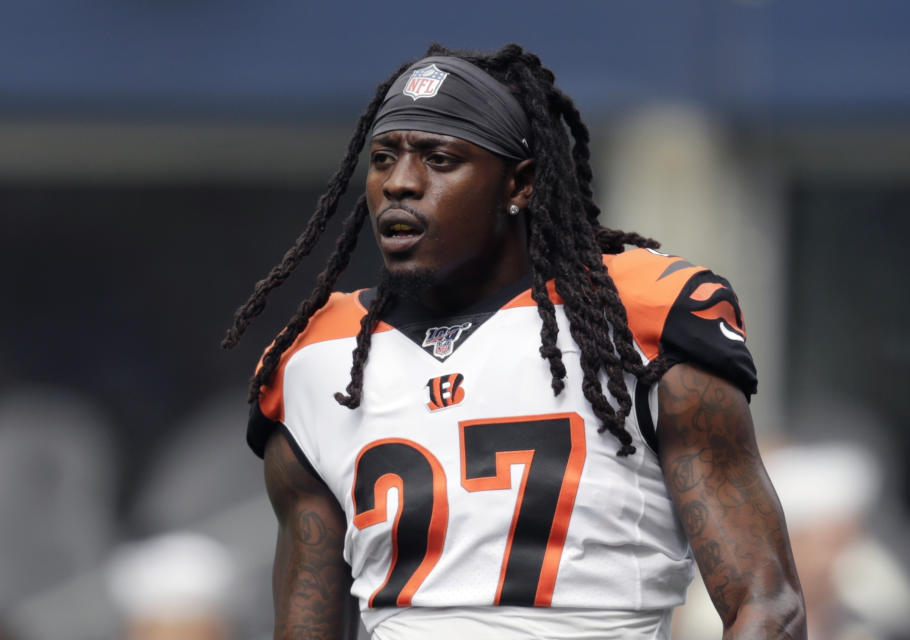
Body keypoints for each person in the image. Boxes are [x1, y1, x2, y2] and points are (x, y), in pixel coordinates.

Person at [223, 43, 806, 640]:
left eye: (440, 159)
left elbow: (767, 606)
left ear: (520, 185)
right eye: (382, 158)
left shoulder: (640, 319)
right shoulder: (317, 358)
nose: (400, 183)